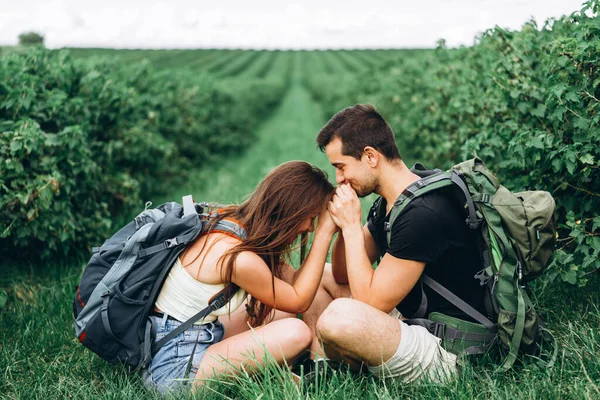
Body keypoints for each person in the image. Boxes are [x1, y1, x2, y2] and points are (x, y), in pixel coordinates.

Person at [306, 104, 486, 383]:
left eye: (341, 167)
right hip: (417, 323)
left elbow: (370, 302)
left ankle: (334, 366)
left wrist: (352, 226)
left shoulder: (423, 214)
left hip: (451, 350)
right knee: (321, 277)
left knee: (338, 319)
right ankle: (321, 368)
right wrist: (343, 226)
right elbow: (342, 274)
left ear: (370, 157)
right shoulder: (390, 203)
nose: (339, 179)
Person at [141, 161, 337, 393]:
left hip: (186, 338)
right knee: (296, 332)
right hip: (174, 370)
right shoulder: (239, 258)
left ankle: (308, 365)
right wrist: (326, 233)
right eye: (311, 218)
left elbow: (294, 284)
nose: (311, 228)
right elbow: (299, 299)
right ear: (292, 213)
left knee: (281, 311)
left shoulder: (232, 223)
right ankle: (292, 374)